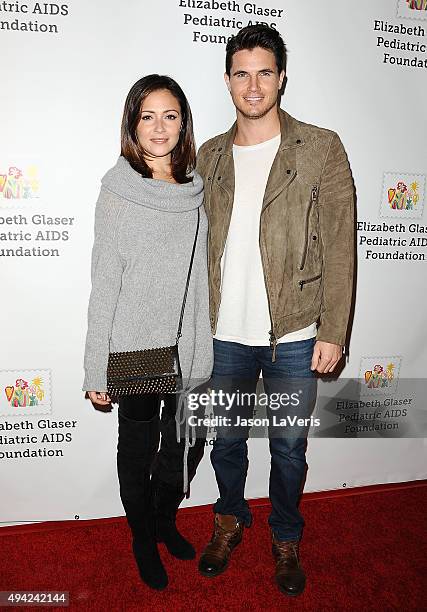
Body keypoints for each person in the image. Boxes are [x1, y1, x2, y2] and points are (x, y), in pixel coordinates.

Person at [196, 25, 355, 597]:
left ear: (282, 76)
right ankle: (230, 518)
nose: (254, 84)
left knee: (289, 447)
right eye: (242, 73)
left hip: (294, 329)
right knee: (227, 440)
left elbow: (340, 244)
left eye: (265, 71)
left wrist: (333, 329)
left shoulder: (321, 147)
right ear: (228, 81)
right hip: (223, 331)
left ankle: (286, 535)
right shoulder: (208, 154)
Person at [82, 74, 213, 591]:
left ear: (183, 124)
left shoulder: (195, 190)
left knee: (184, 443)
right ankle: (141, 534)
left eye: (170, 115)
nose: (160, 127)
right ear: (132, 125)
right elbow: (104, 284)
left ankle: (164, 517)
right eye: (148, 116)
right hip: (136, 347)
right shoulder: (117, 193)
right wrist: (96, 367)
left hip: (188, 344)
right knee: (137, 451)